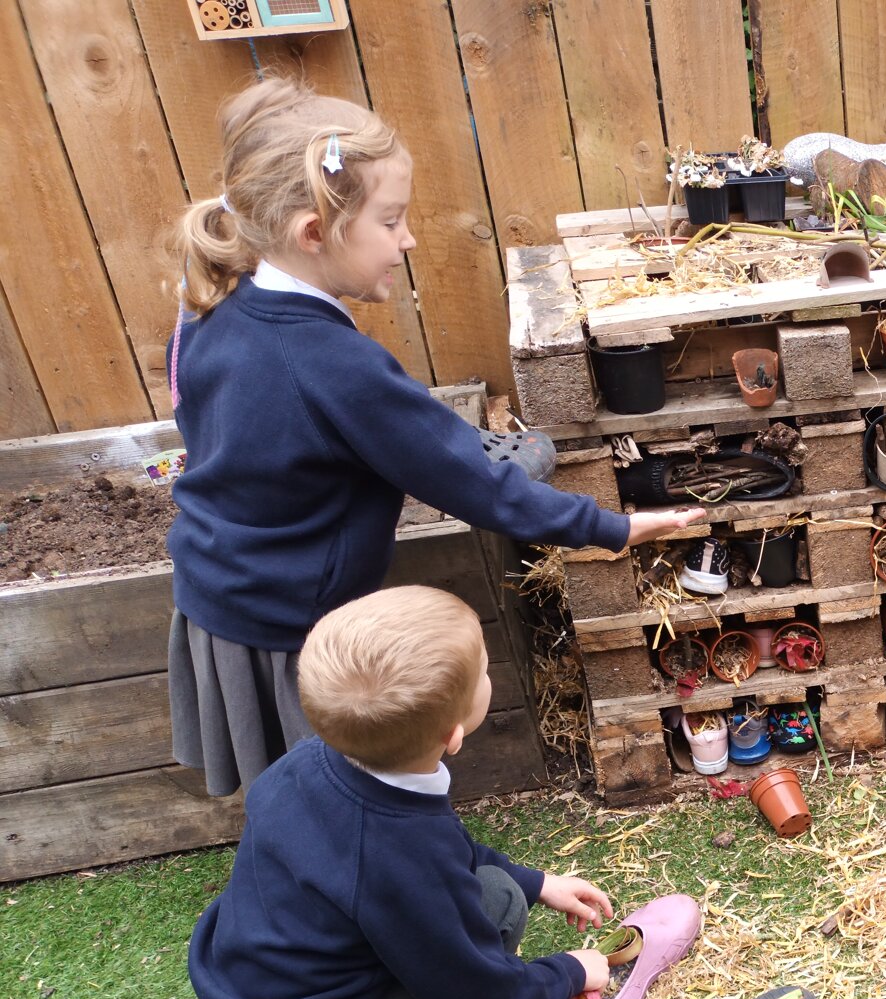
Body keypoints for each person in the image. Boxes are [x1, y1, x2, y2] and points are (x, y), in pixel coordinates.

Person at [165, 78, 698, 796]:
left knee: (286, 798)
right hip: (289, 621)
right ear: (314, 233)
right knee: (337, 810)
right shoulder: (334, 364)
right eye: (391, 221)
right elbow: (467, 484)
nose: (408, 238)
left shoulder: (217, 307)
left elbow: (312, 430)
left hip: (218, 588)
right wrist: (612, 526)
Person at [188, 587, 617, 999]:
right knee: (497, 906)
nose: (490, 677)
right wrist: (570, 972)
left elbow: (440, 852)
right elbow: (480, 992)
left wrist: (539, 882)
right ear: (454, 736)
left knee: (502, 889)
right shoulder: (397, 851)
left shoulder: (308, 763)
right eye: (485, 672)